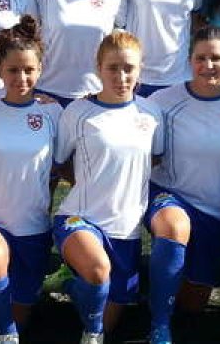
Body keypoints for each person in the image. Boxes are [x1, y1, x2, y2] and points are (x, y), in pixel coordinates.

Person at [144, 26, 220, 344]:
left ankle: (153, 281)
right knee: (175, 227)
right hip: (168, 194)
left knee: (192, 304)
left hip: (214, 209)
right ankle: (159, 325)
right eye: (200, 58)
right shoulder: (162, 101)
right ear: (189, 60)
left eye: (216, 58)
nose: (208, 65)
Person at [53, 31, 164, 344]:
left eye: (128, 68)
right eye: (112, 68)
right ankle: (92, 335)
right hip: (80, 218)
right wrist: (89, 182)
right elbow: (60, 161)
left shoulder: (152, 114)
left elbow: (154, 159)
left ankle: (71, 283)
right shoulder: (78, 112)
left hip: (125, 230)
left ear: (140, 69)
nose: (121, 76)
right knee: (99, 271)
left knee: (111, 309)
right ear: (98, 68)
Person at [0, 16, 60, 342]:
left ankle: (9, 293)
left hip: (32, 228)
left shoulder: (53, 113)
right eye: (13, 70)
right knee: (5, 323)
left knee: (22, 314)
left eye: (29, 70)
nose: (21, 77)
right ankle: (5, 334)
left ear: (40, 70)